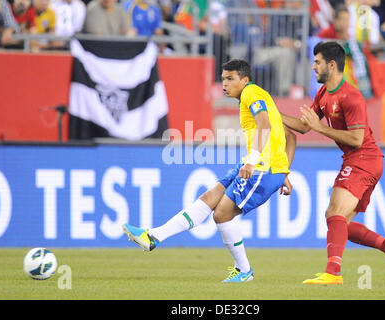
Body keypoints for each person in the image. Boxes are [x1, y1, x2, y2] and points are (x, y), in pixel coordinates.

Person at [123, 59, 297, 283]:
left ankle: (244, 271)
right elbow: (289, 134)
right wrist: (284, 172)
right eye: (223, 78)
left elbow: (265, 124)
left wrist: (259, 163)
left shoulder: (251, 94)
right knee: (208, 198)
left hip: (261, 168)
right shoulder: (256, 95)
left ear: (244, 80)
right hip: (262, 165)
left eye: (230, 78)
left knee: (221, 214)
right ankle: (153, 236)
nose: (225, 83)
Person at [280, 41, 385, 285]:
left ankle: (333, 273)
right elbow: (304, 126)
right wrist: (271, 113)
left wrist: (321, 128)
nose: (313, 67)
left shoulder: (351, 97)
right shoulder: (322, 94)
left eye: (317, 62)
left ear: (331, 64)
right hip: (358, 159)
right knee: (340, 225)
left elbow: (358, 138)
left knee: (334, 213)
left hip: (365, 158)